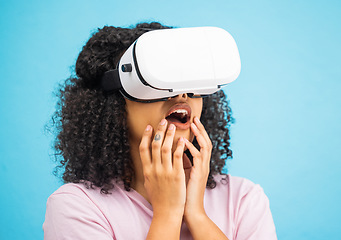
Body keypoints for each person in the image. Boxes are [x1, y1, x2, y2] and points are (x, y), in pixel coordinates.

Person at [43, 22, 277, 240]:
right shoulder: (77, 206)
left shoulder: (242, 199)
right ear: (113, 105)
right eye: (158, 84)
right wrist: (168, 213)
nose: (181, 95)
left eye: (190, 83)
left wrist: (196, 214)